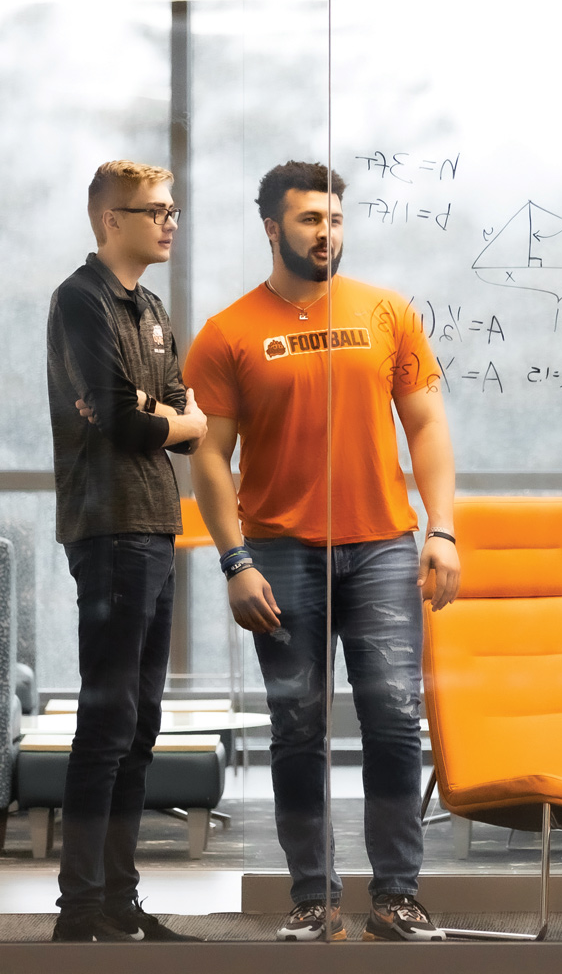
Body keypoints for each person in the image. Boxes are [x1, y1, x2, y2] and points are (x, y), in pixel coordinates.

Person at [186, 161, 460, 943]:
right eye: (310, 220)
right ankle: (314, 897)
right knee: (298, 725)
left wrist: (440, 528)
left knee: (394, 720)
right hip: (278, 551)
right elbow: (210, 457)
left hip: (381, 546)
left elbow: (428, 425)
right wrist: (235, 562)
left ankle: (398, 897)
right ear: (272, 228)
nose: (326, 233)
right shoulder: (229, 331)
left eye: (335, 219)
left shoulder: (386, 312)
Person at [46, 161, 208, 942]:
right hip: (108, 528)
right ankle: (79, 910)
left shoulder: (149, 308)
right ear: (111, 219)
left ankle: (118, 900)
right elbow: (127, 421)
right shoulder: (81, 301)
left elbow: (182, 412)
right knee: (108, 722)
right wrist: (158, 414)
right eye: (154, 212)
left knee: (140, 722)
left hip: (153, 524)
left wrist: (162, 413)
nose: (169, 223)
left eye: (173, 210)